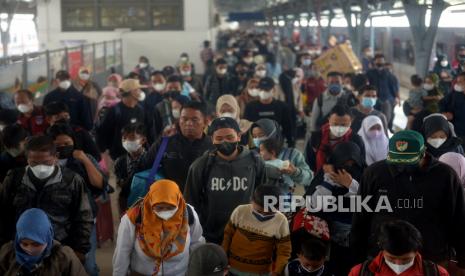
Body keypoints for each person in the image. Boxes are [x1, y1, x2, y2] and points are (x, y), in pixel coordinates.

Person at [350, 130, 465, 274]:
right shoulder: (374, 174)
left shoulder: (445, 176)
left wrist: (462, 259)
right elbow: (361, 217)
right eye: (398, 160)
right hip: (384, 255)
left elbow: (459, 219)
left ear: (423, 152)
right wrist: (356, 257)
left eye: (408, 160)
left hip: (431, 256)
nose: (402, 165)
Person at [0, 135, 93, 262]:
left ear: (56, 157)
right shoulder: (14, 179)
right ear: (27, 159)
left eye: (46, 162)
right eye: (34, 163)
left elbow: (84, 217)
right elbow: (3, 213)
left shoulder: (71, 180)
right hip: (21, 247)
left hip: (60, 247)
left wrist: (80, 249)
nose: (40, 167)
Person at [183, 117, 266, 244]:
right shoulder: (201, 165)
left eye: (229, 137)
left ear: (238, 136)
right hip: (210, 235)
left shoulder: (255, 161)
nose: (225, 142)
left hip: (246, 233)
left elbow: (263, 195)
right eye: (219, 138)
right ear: (212, 139)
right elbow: (190, 203)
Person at [113, 179, 204, 276]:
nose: (165, 212)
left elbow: (197, 246)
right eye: (159, 208)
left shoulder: (188, 215)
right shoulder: (132, 218)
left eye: (170, 207)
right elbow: (121, 255)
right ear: (151, 201)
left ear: (178, 201)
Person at [307, 142, 364, 275]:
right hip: (323, 236)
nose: (348, 168)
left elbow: (369, 205)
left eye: (352, 164)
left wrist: (351, 185)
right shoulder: (325, 174)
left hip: (352, 238)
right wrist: (328, 183)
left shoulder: (364, 175)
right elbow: (314, 205)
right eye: (344, 164)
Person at [139, 101, 213, 192]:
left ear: (205, 122)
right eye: (184, 119)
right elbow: (143, 166)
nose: (189, 123)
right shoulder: (164, 143)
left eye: (194, 119)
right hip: (170, 202)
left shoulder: (213, 146)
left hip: (204, 202)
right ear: (179, 120)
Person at [222, 185, 291, 276]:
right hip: (232, 267)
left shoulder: (281, 221)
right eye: (259, 211)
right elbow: (227, 236)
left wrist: (277, 272)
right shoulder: (240, 211)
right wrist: (222, 260)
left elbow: (284, 250)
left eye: (269, 213)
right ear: (251, 200)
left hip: (261, 272)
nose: (263, 215)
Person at [0, 208, 87, 276]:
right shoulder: (7, 254)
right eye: (24, 244)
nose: (29, 249)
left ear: (47, 238)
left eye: (36, 244)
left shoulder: (64, 257)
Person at [349, 220, 449, 276]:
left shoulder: (437, 273)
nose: (398, 264)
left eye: (406, 260)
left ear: (416, 251)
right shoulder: (360, 273)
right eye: (391, 259)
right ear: (382, 249)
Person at [252, 118, 312, 187]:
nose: (257, 139)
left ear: (273, 134)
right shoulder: (252, 155)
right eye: (254, 136)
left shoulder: (292, 154)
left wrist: (295, 172)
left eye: (261, 135)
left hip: (282, 196)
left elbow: (309, 179)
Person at [96, 79, 147, 160]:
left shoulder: (140, 110)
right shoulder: (114, 111)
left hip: (136, 155)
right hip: (117, 157)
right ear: (131, 92)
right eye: (138, 89)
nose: (141, 91)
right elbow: (102, 132)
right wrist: (104, 153)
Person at [306, 104, 365, 173]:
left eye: (343, 125)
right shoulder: (316, 137)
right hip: (318, 180)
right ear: (329, 119)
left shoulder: (356, 140)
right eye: (335, 124)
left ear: (351, 121)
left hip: (346, 181)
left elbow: (361, 167)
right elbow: (308, 164)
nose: (339, 128)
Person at [244, 77, 294, 147]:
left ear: (273, 90)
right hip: (255, 143)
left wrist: (290, 143)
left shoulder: (282, 106)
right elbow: (247, 127)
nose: (264, 91)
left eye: (266, 89)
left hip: (276, 144)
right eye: (261, 89)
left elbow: (288, 127)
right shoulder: (250, 107)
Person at [114, 123, 148, 214]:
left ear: (143, 140)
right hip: (129, 208)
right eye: (124, 138)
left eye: (132, 138)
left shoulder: (150, 160)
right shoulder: (119, 162)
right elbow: (120, 189)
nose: (127, 141)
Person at [366, 54, 400, 132]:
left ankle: (388, 129)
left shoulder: (388, 73)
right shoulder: (369, 73)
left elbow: (394, 86)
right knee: (374, 116)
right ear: (374, 62)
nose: (380, 63)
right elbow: (366, 85)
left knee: (388, 115)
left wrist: (397, 97)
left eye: (381, 61)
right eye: (378, 61)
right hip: (374, 99)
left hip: (387, 98)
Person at [441, 72, 465, 147]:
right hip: (449, 129)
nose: (457, 84)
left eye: (460, 82)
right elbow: (442, 103)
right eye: (457, 81)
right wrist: (443, 113)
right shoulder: (454, 93)